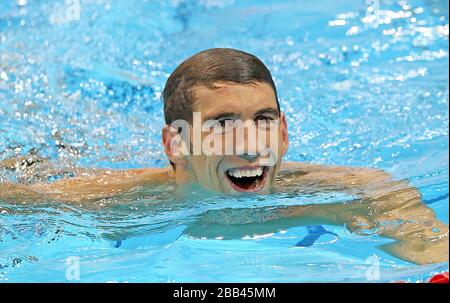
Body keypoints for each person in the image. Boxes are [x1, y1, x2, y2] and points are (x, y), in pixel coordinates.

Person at [0, 48, 448, 264]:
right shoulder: (115, 202)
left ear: (286, 131)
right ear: (176, 142)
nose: (251, 145)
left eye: (265, 120)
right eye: (222, 124)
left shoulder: (349, 191)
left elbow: (430, 248)